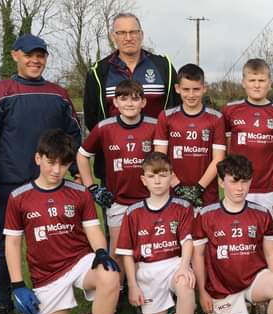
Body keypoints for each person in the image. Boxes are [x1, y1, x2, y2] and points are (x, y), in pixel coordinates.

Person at [0, 34, 82, 314]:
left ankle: (59, 294)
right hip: (13, 186)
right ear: (15, 55)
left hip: (54, 185)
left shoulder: (59, 94)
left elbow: (73, 138)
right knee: (8, 245)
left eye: (41, 55)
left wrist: (77, 171)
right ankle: (4, 304)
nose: (35, 60)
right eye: (29, 55)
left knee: (60, 241)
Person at [3, 129, 120, 314]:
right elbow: (13, 243)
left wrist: (101, 252)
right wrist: (17, 284)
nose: (57, 170)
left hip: (79, 262)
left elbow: (93, 228)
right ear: (38, 158)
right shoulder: (18, 197)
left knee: (110, 273)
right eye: (51, 163)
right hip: (46, 274)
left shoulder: (79, 193)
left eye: (64, 165)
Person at [192, 155, 273, 314]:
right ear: (222, 182)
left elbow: (270, 254)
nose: (240, 188)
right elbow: (198, 256)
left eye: (245, 181)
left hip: (254, 279)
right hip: (222, 286)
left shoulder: (262, 213)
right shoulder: (206, 215)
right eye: (234, 181)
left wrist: (271, 286)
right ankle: (236, 309)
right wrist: (203, 293)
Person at [114, 152, 197, 314]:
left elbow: (188, 241)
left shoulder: (183, 207)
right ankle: (183, 313)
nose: (158, 181)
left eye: (163, 175)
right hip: (146, 270)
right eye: (152, 176)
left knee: (185, 284)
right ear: (143, 180)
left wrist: (184, 267)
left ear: (172, 177)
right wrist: (132, 285)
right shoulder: (133, 212)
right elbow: (126, 255)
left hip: (172, 264)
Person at [83, 12, 180, 191]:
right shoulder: (99, 71)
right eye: (122, 33)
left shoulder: (162, 66)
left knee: (158, 218)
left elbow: (175, 111)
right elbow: (92, 118)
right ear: (113, 37)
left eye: (133, 32)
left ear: (141, 35)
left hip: (157, 167)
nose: (128, 38)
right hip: (116, 166)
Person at [77, 79, 158, 263]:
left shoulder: (154, 125)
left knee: (147, 247)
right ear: (115, 102)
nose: (129, 103)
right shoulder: (104, 128)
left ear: (143, 102)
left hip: (149, 199)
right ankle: (118, 289)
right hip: (117, 200)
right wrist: (91, 188)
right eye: (123, 99)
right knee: (117, 249)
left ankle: (144, 288)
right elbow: (82, 155)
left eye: (135, 99)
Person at [222, 58, 273, 212]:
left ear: (270, 83)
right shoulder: (229, 111)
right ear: (243, 82)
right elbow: (226, 148)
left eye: (261, 80)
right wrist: (234, 173)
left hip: (268, 188)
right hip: (237, 184)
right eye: (252, 80)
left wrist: (272, 174)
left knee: (268, 233)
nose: (257, 85)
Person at [153, 64, 225, 207]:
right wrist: (177, 186)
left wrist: (198, 189)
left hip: (206, 195)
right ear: (177, 88)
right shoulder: (166, 116)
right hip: (173, 192)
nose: (191, 95)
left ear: (204, 88)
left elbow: (219, 158)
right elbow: (159, 157)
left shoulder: (216, 118)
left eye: (196, 89)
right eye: (186, 89)